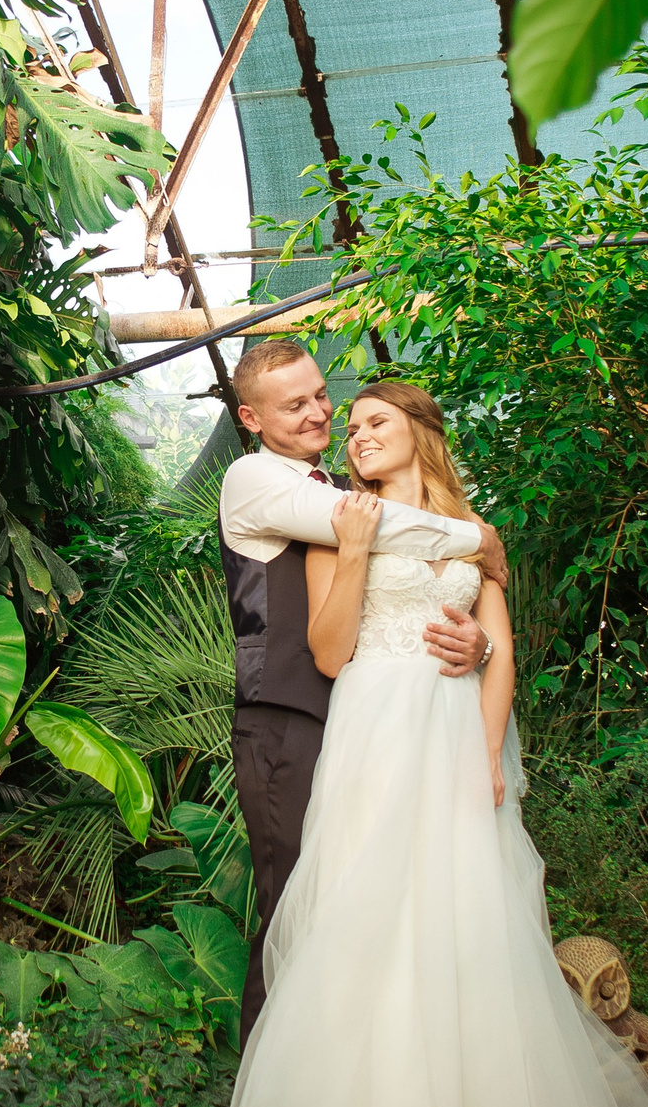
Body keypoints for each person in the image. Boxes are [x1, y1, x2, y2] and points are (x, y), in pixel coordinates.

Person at [222, 378, 648, 1107]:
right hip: (375, 730)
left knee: (467, 933)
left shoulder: (471, 527)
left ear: (419, 432)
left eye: (373, 421)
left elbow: (501, 645)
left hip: (452, 738)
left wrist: (489, 753)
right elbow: (330, 651)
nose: (355, 433)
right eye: (351, 423)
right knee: (370, 926)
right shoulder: (338, 516)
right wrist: (361, 547)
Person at [217, 339, 506, 1038]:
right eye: (295, 405)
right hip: (288, 721)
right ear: (251, 420)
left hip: (371, 724)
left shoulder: (348, 493)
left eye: (321, 394)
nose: (321, 412)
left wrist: (484, 641)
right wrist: (480, 537)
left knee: (384, 906)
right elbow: (388, 531)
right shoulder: (255, 480)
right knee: (296, 906)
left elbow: (392, 535)